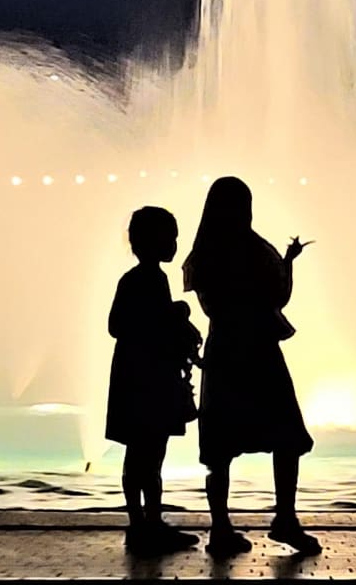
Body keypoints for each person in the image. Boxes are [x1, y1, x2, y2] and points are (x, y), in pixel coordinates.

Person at [183, 176, 320, 558]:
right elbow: (279, 296)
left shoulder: (204, 253)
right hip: (259, 351)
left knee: (220, 446)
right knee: (286, 436)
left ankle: (221, 527)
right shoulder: (256, 249)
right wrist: (288, 263)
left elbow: (211, 303)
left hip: (224, 351)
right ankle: (285, 518)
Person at [105, 206, 203, 556]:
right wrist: (173, 314)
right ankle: (147, 523)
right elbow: (120, 325)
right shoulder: (149, 280)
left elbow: (119, 325)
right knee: (149, 454)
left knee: (140, 453)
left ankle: (142, 523)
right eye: (170, 237)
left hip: (136, 376)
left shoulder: (137, 279)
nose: (174, 244)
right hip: (147, 379)